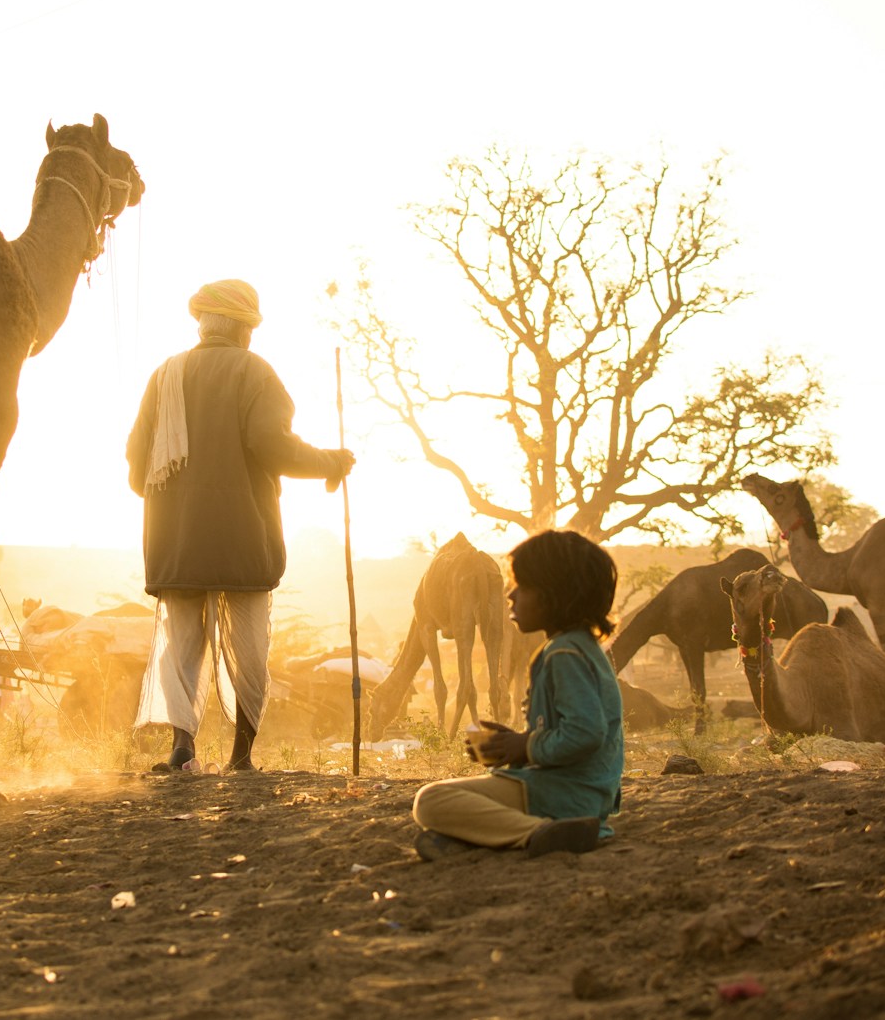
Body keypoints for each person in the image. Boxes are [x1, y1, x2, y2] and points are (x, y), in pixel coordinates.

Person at [127, 279, 354, 772]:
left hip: (177, 543)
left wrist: (174, 503)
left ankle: (182, 750)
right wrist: (330, 462)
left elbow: (135, 465)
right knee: (249, 648)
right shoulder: (255, 372)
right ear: (244, 329)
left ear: (204, 324)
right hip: (244, 538)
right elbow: (272, 444)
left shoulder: (165, 375)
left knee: (181, 645)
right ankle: (241, 757)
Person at [410, 529, 623, 860]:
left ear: (554, 596)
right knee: (441, 828)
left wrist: (526, 746)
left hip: (566, 794)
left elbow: (585, 733)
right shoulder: (575, 648)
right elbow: (571, 730)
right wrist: (517, 744)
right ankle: (501, 835)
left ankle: (535, 832)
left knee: (430, 801)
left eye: (521, 587)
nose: (509, 596)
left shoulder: (564, 655)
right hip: (576, 791)